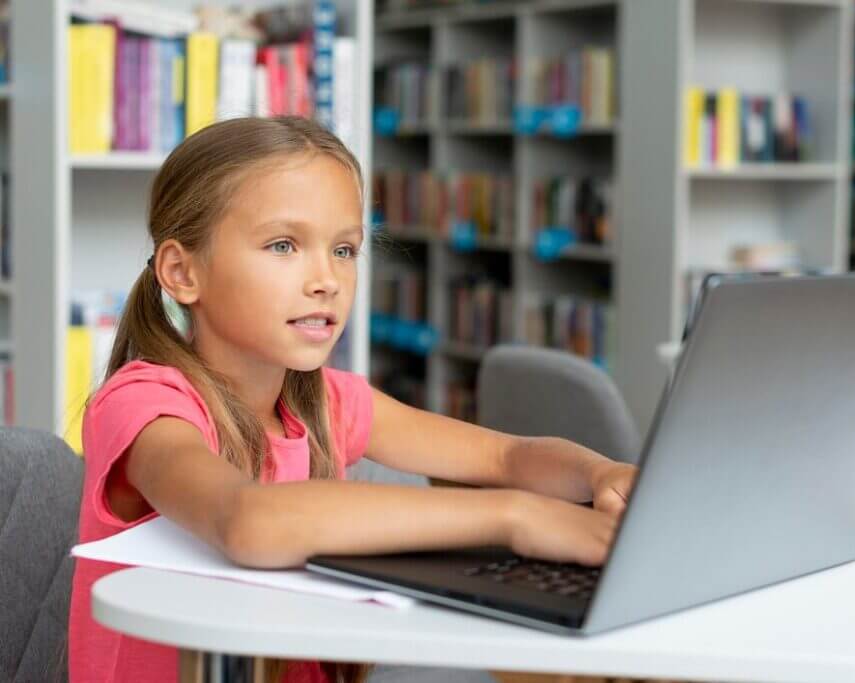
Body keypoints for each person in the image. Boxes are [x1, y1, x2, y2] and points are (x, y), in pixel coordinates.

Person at [68, 116, 637, 683]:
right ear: (181, 272)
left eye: (344, 250)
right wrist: (515, 515)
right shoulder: (144, 403)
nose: (328, 280)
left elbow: (503, 459)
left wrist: (598, 474)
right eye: (284, 245)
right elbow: (248, 522)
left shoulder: (328, 402)